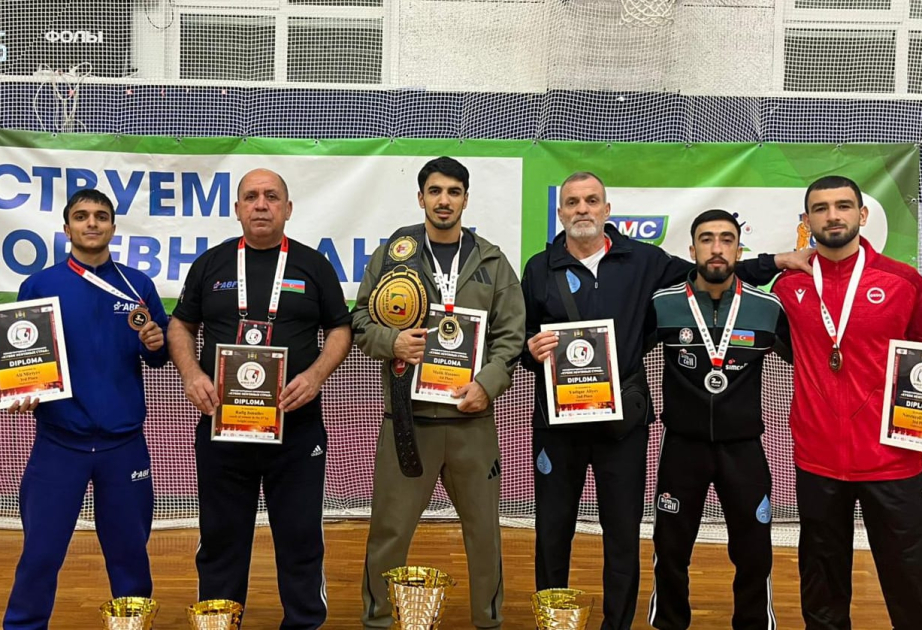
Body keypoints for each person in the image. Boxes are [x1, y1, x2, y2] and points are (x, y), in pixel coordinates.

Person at [520, 172, 810, 630]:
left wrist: (777, 260)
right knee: (552, 531)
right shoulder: (538, 267)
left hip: (622, 428)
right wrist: (530, 350)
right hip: (559, 424)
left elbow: (714, 270)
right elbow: (522, 338)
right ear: (560, 212)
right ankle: (552, 623)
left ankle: (617, 625)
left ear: (607, 210)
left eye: (592, 200)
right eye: (573, 202)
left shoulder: (645, 261)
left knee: (622, 535)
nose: (582, 209)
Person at [168, 168, 352, 628]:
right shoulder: (211, 264)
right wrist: (191, 374)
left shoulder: (314, 265)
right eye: (251, 197)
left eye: (271, 196)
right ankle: (219, 622)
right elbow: (181, 325)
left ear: (288, 208)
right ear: (237, 209)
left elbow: (340, 329)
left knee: (300, 537)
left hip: (296, 429)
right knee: (221, 538)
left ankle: (304, 622)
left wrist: (315, 375)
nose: (261, 204)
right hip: (223, 428)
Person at [352, 156, 525, 629]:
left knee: (484, 533)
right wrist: (392, 341)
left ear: (466, 199)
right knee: (389, 531)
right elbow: (360, 320)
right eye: (435, 191)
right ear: (421, 197)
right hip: (408, 421)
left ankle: (488, 621)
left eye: (453, 191)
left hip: (472, 421)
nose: (443, 200)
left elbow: (511, 335)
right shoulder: (394, 254)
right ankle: (378, 620)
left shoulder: (491, 260)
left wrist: (488, 384)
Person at [4, 189, 169, 630]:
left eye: (100, 216)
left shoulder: (138, 285)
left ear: (113, 227)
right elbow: (21, 352)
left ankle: (132, 625)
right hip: (59, 444)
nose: (91, 223)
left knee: (130, 554)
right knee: (40, 554)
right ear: (67, 228)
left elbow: (157, 354)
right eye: (81, 216)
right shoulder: (39, 285)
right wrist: (23, 387)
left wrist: (157, 343)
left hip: (124, 445)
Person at [772, 175, 922, 630]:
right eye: (820, 208)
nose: (832, 216)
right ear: (807, 220)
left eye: (843, 206)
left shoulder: (904, 282)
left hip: (893, 461)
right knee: (822, 584)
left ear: (863, 214)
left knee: (911, 580)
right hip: (817, 458)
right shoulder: (787, 288)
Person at [646, 209, 791, 630]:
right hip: (681, 446)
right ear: (692, 249)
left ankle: (753, 622)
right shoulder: (663, 302)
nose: (716, 248)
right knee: (670, 547)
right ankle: (669, 622)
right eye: (707, 239)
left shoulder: (766, 307)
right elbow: (623, 356)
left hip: (743, 448)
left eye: (726, 239)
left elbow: (812, 362)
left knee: (753, 550)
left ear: (738, 250)